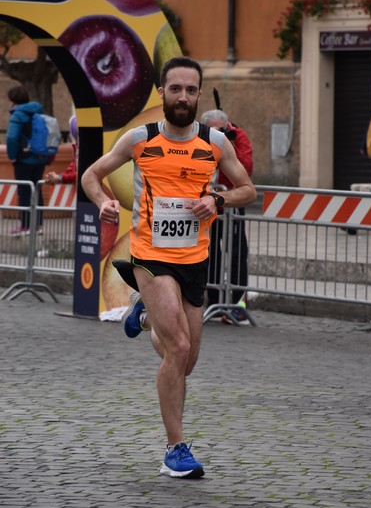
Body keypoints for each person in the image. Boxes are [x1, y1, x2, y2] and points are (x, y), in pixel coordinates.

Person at [81, 56, 256, 479]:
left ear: (199, 94)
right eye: (174, 89)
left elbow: (248, 189)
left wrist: (217, 200)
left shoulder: (216, 143)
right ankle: (174, 450)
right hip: (150, 254)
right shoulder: (139, 138)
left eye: (190, 90)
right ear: (162, 93)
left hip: (195, 259)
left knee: (186, 359)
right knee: (177, 348)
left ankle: (145, 317)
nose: (182, 97)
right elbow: (91, 174)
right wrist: (103, 201)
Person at [200, 109, 253, 323]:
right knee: (210, 253)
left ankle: (238, 304)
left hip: (232, 201)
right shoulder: (198, 138)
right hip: (208, 205)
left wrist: (227, 145)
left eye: (220, 130)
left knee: (238, 252)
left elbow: (245, 168)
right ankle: (214, 302)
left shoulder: (238, 137)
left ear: (227, 125)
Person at [6, 85, 47, 236]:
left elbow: (11, 138)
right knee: (38, 190)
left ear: (13, 100)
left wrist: (12, 156)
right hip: (40, 158)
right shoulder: (38, 112)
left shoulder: (18, 114)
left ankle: (25, 226)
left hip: (23, 159)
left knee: (24, 191)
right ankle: (38, 225)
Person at [45, 115, 78, 185]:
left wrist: (60, 177)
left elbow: (81, 173)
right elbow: (75, 165)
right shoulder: (77, 147)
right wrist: (58, 177)